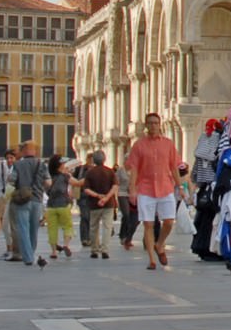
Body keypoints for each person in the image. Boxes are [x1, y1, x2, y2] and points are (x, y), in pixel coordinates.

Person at [126, 113, 186, 270]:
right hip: (145, 188)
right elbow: (134, 169)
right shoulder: (139, 145)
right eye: (150, 123)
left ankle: (159, 244)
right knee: (148, 224)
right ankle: (152, 259)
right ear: (146, 125)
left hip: (165, 187)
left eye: (155, 123)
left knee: (169, 221)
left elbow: (174, 167)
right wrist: (132, 189)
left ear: (160, 125)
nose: (153, 126)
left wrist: (180, 187)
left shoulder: (168, 144)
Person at [6, 141, 51, 265]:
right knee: (33, 229)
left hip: (22, 200)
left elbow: (12, 180)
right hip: (37, 200)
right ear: (35, 151)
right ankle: (31, 251)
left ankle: (28, 257)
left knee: (23, 228)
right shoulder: (41, 164)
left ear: (24, 151)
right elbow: (48, 182)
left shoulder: (18, 165)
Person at [80, 151, 118, 258]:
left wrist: (97, 196)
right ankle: (105, 249)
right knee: (107, 227)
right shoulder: (110, 171)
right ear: (104, 159)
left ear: (93, 160)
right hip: (108, 204)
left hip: (94, 204)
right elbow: (115, 187)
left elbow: (86, 189)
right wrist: (106, 197)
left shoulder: (90, 172)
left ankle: (94, 249)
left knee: (93, 227)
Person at [46, 155, 76, 258]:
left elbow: (47, 189)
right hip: (63, 205)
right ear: (60, 165)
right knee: (67, 226)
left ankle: (54, 252)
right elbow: (77, 183)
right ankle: (66, 245)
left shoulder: (50, 177)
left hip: (51, 206)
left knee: (52, 229)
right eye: (63, 163)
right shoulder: (66, 176)